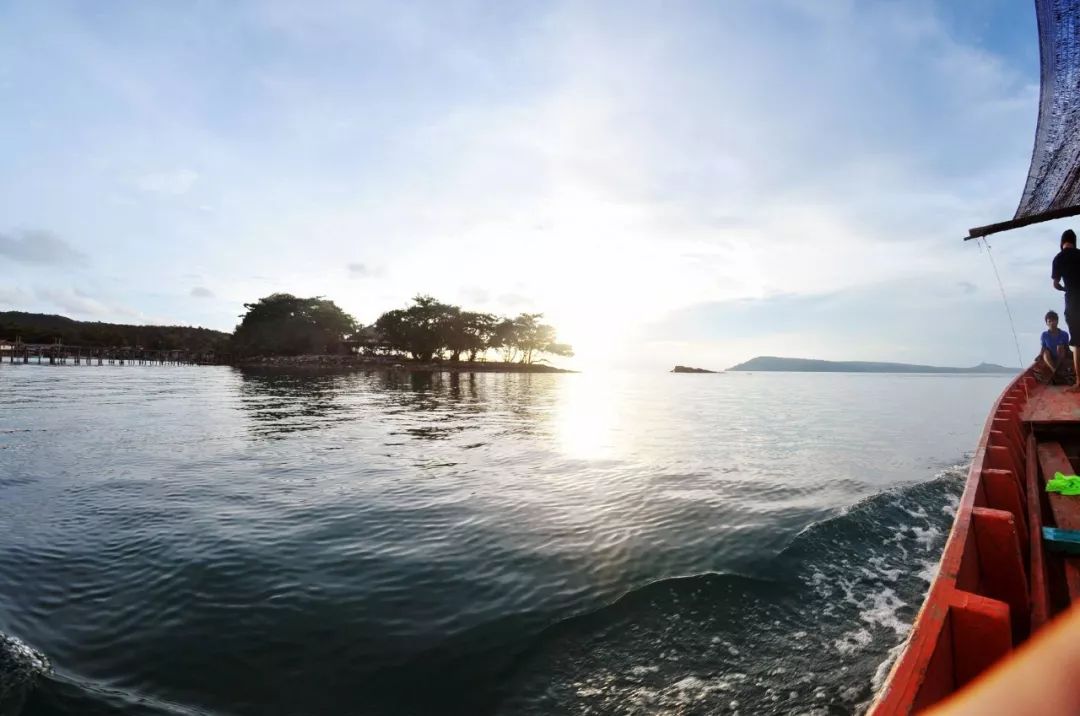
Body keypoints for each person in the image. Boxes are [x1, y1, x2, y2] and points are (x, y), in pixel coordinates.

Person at [1051, 228, 1080, 390]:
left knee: (1077, 343)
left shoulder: (1058, 258)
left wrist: (1064, 288)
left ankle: (1079, 382)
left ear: (1062, 242)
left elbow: (1055, 284)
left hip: (1073, 303)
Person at [1035, 310, 1075, 385]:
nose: (1052, 323)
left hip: (1061, 356)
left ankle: (1056, 374)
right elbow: (1043, 347)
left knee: (1060, 347)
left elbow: (1066, 348)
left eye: (1053, 321)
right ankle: (1055, 372)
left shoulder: (1064, 334)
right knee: (1045, 352)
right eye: (1049, 321)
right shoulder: (1044, 335)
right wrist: (1040, 355)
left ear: (1057, 321)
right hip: (1050, 357)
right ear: (1046, 323)